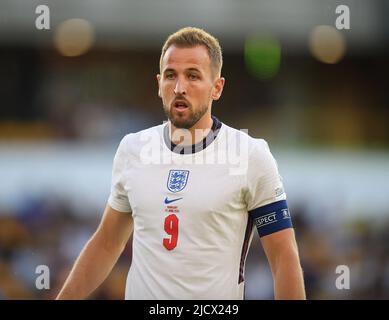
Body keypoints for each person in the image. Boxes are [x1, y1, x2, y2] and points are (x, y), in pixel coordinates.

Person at [56, 27, 306, 300]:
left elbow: (284, 257)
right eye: (170, 75)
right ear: (159, 83)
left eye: (193, 76)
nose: (179, 87)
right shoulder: (133, 148)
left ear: (217, 88)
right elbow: (107, 242)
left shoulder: (249, 155)